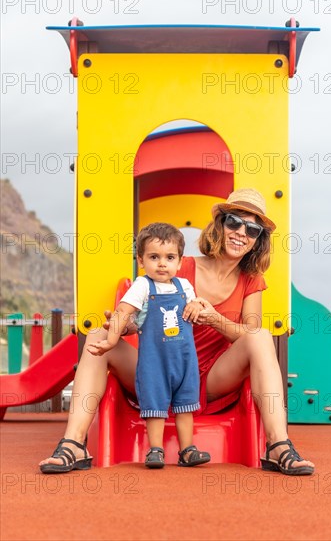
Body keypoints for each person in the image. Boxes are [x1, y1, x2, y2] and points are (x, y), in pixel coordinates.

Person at [39, 188, 315, 476]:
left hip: (208, 378)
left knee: (260, 335)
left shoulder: (251, 280)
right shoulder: (180, 267)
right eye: (234, 221)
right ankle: (74, 443)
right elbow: (147, 314)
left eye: (253, 229)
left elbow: (249, 333)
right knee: (96, 335)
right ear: (220, 225)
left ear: (258, 240)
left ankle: (278, 445)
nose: (241, 232)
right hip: (155, 369)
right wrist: (125, 326)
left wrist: (213, 318)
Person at [87, 222, 210, 469]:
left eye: (169, 257)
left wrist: (197, 304)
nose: (162, 263)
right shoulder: (142, 286)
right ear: (141, 260)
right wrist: (111, 341)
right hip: (154, 363)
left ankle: (187, 450)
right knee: (155, 406)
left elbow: (195, 306)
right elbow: (123, 312)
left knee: (186, 405)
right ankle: (156, 449)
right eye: (154, 257)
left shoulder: (184, 286)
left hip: (185, 361)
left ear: (179, 261)